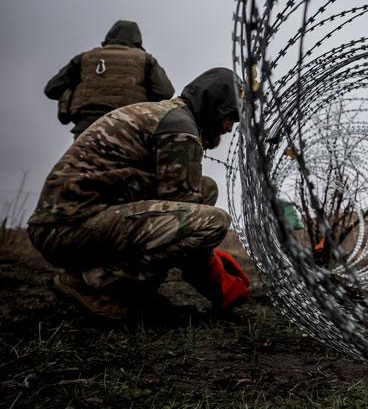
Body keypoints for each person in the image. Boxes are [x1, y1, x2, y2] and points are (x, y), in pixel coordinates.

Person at [26, 67, 247, 321]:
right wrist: (219, 281)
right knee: (214, 222)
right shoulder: (180, 128)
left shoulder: (168, 114)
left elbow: (180, 205)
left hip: (69, 222)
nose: (230, 128)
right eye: (230, 116)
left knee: (206, 189)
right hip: (67, 229)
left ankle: (128, 291)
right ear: (213, 106)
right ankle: (96, 285)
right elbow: (185, 221)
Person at [44, 20, 175, 138]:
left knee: (83, 163)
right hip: (127, 127)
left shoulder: (85, 58)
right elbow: (165, 92)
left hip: (87, 127)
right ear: (137, 40)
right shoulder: (145, 60)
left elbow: (52, 89)